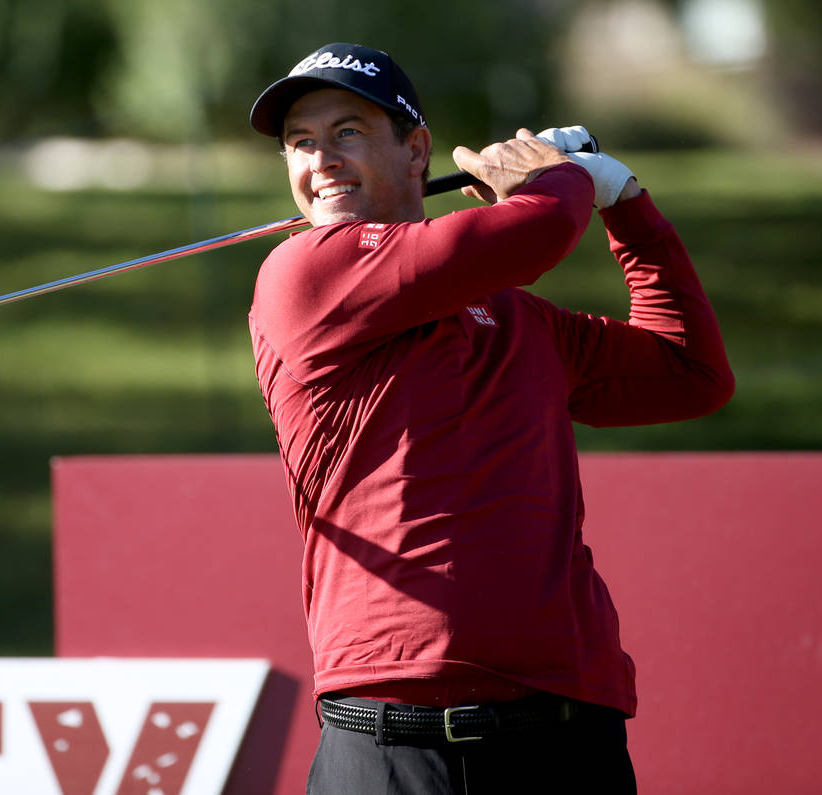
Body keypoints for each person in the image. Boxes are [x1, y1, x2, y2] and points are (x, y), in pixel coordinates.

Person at [247, 42, 734, 794]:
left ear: (416, 151)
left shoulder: (519, 320)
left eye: (347, 132)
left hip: (565, 735)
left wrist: (628, 207)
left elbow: (690, 373)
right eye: (300, 143)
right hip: (391, 739)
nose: (322, 161)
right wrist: (566, 176)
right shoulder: (303, 271)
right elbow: (535, 231)